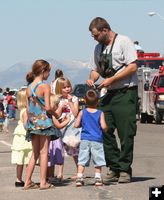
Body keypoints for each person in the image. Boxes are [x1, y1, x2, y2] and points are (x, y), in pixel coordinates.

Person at [87, 17, 138, 183]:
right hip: (107, 94)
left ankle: (124, 170)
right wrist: (92, 79)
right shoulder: (98, 48)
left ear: (105, 30)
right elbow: (96, 70)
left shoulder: (124, 41)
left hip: (125, 92)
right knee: (104, 130)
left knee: (126, 133)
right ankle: (114, 167)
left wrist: (112, 79)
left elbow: (132, 66)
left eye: (95, 35)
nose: (94, 38)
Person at [24, 59, 58, 190]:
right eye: (48, 71)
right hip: (44, 124)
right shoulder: (45, 87)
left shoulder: (29, 88)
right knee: (44, 153)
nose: (49, 74)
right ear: (43, 71)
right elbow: (48, 107)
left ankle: (27, 181)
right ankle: (43, 182)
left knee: (35, 153)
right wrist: (56, 115)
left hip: (33, 124)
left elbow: (28, 109)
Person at [74, 89, 108, 187]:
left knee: (82, 158)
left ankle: (79, 177)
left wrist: (82, 124)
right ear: (98, 101)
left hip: (85, 139)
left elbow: (76, 125)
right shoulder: (100, 113)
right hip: (96, 139)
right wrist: (106, 129)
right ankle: (97, 178)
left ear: (85, 101)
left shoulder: (82, 112)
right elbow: (104, 126)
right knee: (98, 158)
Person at [55, 77, 80, 180]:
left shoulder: (74, 98)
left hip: (72, 127)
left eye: (68, 86)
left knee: (75, 149)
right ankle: (60, 173)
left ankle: (79, 172)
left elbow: (76, 113)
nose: (67, 89)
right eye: (64, 87)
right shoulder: (57, 100)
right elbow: (56, 114)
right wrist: (61, 107)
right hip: (61, 127)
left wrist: (70, 102)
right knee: (61, 150)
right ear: (59, 89)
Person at [11, 89, 32, 187]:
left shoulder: (21, 110)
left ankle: (18, 179)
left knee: (20, 160)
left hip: (19, 136)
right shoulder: (26, 111)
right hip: (25, 136)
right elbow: (26, 125)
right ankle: (28, 179)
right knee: (28, 158)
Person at [47, 94, 71, 182]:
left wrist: (62, 120)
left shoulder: (48, 114)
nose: (58, 107)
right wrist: (67, 121)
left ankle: (50, 176)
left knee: (50, 160)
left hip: (51, 139)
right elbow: (59, 126)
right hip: (54, 139)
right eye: (57, 105)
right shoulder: (52, 115)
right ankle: (50, 176)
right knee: (52, 158)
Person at [47, 69, 65, 181]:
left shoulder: (52, 82)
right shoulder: (61, 82)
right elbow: (58, 125)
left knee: (50, 155)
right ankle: (57, 174)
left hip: (53, 101)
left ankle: (50, 175)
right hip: (56, 106)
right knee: (57, 154)